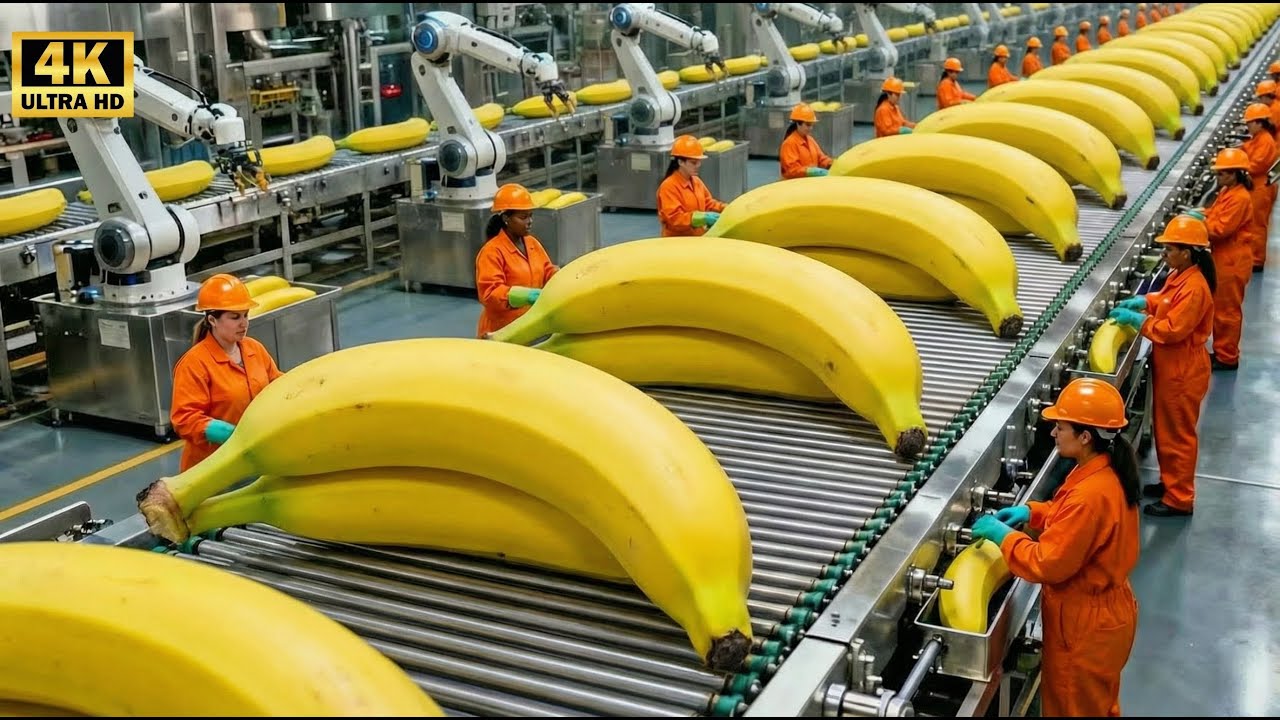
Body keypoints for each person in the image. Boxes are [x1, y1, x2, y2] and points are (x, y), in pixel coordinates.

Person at [969, 377, 1141, 717]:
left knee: (1071, 707)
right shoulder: (1104, 472)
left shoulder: (1090, 495)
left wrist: (1004, 537)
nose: (1053, 433)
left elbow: (1047, 563)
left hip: (1083, 626)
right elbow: (1076, 524)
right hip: (1107, 612)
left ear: (1085, 436)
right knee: (1096, 704)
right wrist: (1032, 511)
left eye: (1060, 427)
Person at [1108, 214, 1215, 518]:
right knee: (1166, 432)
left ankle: (1180, 498)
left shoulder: (1195, 288)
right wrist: (1145, 302)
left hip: (1183, 370)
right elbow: (1167, 301)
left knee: (1178, 435)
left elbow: (1172, 330)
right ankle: (1171, 482)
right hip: (1171, 367)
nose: (1165, 254)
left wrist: (1139, 321)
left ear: (1187, 252)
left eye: (1169, 249)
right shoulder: (1180, 275)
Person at [170, 274, 283, 472]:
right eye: (235, 317)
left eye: (246, 315)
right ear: (213, 319)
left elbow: (276, 385)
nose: (244, 323)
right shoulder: (195, 364)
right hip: (213, 466)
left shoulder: (254, 349)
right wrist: (223, 433)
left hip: (252, 457)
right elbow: (185, 419)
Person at [1195, 147, 1258, 370]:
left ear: (1234, 174)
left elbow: (1220, 229)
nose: (1218, 177)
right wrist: (1201, 214)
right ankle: (1222, 351)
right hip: (1224, 256)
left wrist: (1197, 225)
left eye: (1222, 173)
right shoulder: (1228, 192)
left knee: (1227, 311)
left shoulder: (1239, 198)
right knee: (1220, 307)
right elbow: (1216, 215)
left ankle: (1227, 356)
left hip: (1232, 260)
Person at [475, 183, 559, 338]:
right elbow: (490, 294)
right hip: (502, 331)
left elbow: (547, 270)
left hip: (531, 324)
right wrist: (524, 296)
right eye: (523, 217)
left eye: (530, 215)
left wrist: (561, 277)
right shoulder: (492, 252)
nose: (529, 221)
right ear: (506, 219)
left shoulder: (532, 243)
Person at [657, 134, 728, 237]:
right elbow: (675, 219)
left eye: (699, 162)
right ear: (680, 162)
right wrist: (701, 218)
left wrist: (726, 208)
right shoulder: (668, 187)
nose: (698, 166)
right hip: (677, 243)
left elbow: (708, 203)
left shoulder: (696, 181)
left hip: (697, 239)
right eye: (694, 163)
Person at [1240, 103, 1278, 270]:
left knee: (1257, 224)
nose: (1248, 126)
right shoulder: (1259, 138)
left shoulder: (1266, 141)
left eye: (1250, 123)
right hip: (1256, 185)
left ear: (1259, 123)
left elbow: (1257, 164)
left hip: (1260, 187)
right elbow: (1248, 148)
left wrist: (1237, 166)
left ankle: (1257, 260)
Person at [779, 103, 834, 178]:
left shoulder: (810, 140)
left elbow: (821, 158)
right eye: (808, 125)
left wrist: (832, 163)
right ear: (798, 123)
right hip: (794, 186)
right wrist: (809, 171)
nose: (811, 128)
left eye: (811, 125)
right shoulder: (789, 144)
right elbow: (792, 170)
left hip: (808, 183)